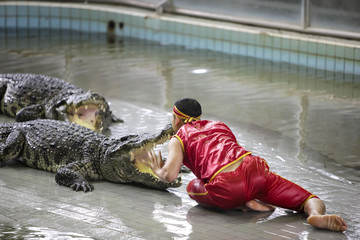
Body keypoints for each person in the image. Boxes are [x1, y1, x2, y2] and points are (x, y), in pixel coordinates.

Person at [140, 98, 347, 232]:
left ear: (176, 119)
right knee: (309, 198)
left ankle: (243, 204)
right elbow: (232, 157)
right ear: (200, 117)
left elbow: (170, 175)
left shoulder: (179, 137)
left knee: (192, 188)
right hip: (255, 170)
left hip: (228, 186)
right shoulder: (219, 125)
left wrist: (158, 169)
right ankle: (316, 215)